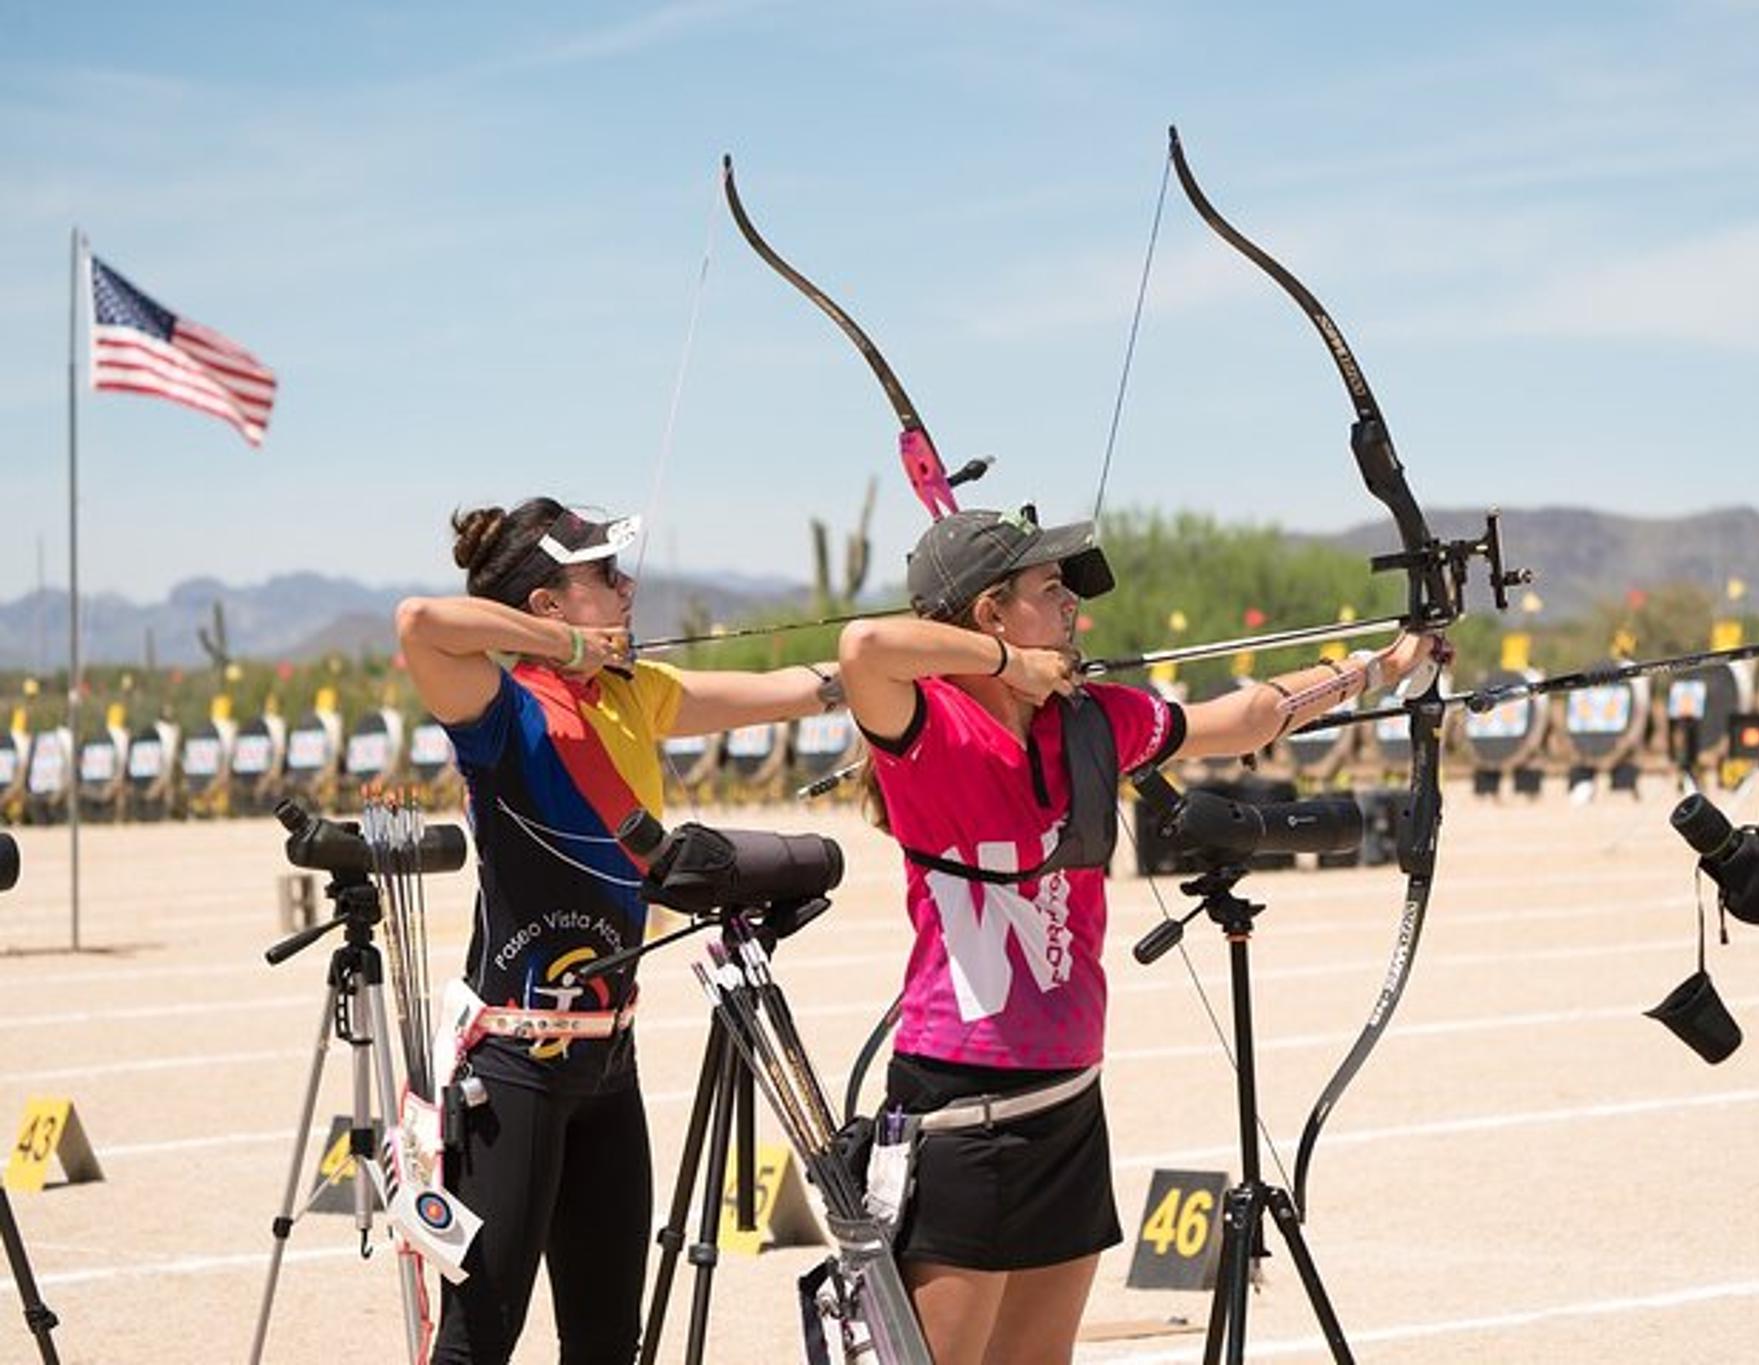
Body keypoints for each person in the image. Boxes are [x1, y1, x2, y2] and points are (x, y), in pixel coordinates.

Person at [835, 505, 1434, 1364]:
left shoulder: (1091, 721)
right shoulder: (924, 727)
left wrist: (1381, 665)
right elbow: (864, 646)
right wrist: (1011, 666)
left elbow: (1246, 718)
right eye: (1051, 588)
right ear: (990, 613)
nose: (1072, 606)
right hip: (963, 1105)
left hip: (1068, 1097)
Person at [395, 498, 842, 1365]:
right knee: (476, 1342)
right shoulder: (502, 708)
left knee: (607, 1341)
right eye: (602, 573)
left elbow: (788, 691)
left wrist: (873, 676)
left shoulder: (634, 693)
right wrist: (563, 649)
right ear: (547, 605)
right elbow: (421, 623)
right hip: (513, 1068)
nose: (627, 584)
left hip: (609, 1062)